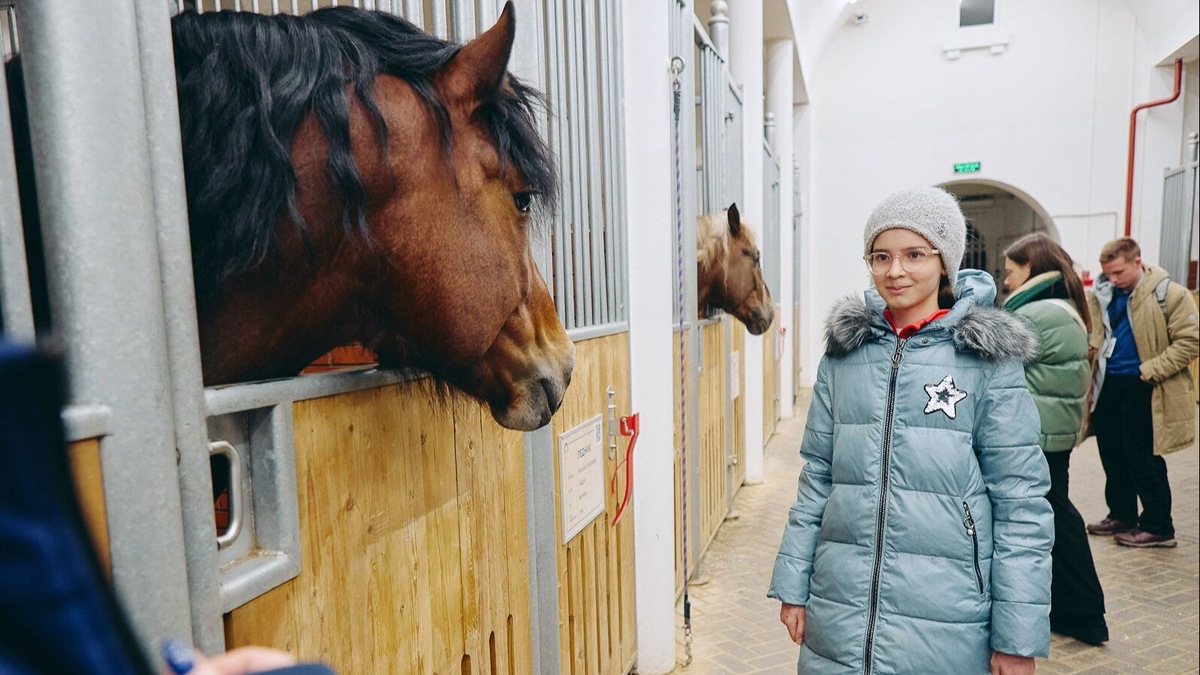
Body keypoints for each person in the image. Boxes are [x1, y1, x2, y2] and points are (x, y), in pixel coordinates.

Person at [768, 186, 1053, 675]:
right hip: (841, 611)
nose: (895, 270)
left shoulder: (986, 360)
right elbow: (817, 478)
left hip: (949, 617)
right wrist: (793, 584)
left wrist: (1016, 637)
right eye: (881, 256)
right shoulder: (844, 355)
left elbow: (1021, 502)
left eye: (914, 254)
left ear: (945, 262)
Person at [1001, 233, 1107, 645]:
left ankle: (1082, 612)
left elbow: (989, 348)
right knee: (1055, 517)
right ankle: (1073, 608)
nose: (1006, 281)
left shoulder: (1041, 313)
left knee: (1056, 522)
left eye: (1011, 272)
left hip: (1039, 437)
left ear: (1032, 268)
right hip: (1050, 433)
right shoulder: (1059, 307)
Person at [1084, 237, 1199, 548]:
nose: (1114, 279)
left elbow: (1191, 341)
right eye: (1108, 273)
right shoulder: (1103, 294)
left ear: (1138, 262)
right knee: (1112, 451)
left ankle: (1159, 525)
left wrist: (1150, 370)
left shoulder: (1170, 294)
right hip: (1109, 382)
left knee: (1143, 456)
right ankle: (1122, 514)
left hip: (1145, 383)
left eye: (1119, 272)